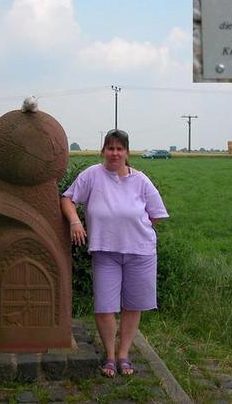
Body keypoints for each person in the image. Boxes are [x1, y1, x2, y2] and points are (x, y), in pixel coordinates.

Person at [60, 129, 168, 378]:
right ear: (103, 151)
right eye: (110, 148)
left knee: (133, 305)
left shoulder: (141, 180)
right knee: (105, 306)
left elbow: (156, 214)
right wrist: (76, 221)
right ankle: (109, 354)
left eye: (120, 149)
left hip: (140, 252)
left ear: (127, 153)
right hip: (105, 251)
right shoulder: (91, 176)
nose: (115, 153)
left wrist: (132, 227)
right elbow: (67, 199)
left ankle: (123, 354)